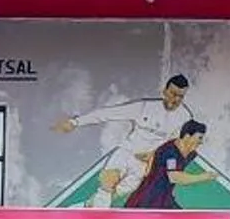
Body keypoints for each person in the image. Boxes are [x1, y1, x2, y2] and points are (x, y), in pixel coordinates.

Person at [55, 74, 191, 206]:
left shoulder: (184, 118)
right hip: (126, 153)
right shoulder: (145, 107)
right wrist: (75, 122)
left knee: (109, 197)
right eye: (173, 94)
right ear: (165, 91)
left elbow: (178, 148)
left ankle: (83, 208)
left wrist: (156, 158)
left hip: (145, 165)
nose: (176, 99)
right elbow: (109, 113)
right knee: (108, 183)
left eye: (180, 96)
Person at [121, 118, 217, 209]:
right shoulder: (170, 153)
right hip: (147, 201)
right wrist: (203, 177)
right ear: (187, 136)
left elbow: (153, 156)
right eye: (199, 138)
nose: (201, 142)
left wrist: (149, 158)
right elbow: (174, 176)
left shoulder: (190, 154)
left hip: (165, 199)